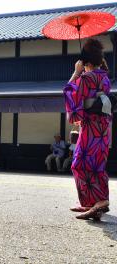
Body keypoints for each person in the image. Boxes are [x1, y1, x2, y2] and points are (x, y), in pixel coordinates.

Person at [64, 39, 111, 220]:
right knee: (97, 164)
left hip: (91, 127)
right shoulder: (104, 77)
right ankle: (93, 204)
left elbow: (69, 92)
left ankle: (99, 201)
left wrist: (76, 72)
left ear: (86, 62)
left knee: (80, 164)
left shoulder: (86, 77)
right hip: (102, 127)